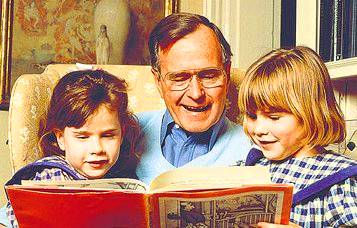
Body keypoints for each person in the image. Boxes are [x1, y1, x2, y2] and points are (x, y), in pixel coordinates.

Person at [3, 69, 140, 227]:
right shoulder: (51, 179)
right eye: (82, 137)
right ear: (60, 138)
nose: (97, 149)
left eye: (108, 136)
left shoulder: (124, 177)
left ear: (122, 134)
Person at [238, 46, 357, 227]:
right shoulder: (250, 167)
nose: (259, 129)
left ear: (311, 114)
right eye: (252, 116)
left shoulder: (340, 180)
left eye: (274, 117)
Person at [135, 13, 252, 185]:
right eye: (180, 78)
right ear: (158, 81)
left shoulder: (256, 147)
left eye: (209, 75)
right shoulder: (123, 133)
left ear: (227, 74)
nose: (196, 94)